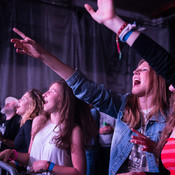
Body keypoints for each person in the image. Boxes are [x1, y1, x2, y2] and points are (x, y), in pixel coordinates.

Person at [9, 2, 170, 175]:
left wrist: (158, 151)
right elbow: (84, 86)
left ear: (160, 78)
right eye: (135, 69)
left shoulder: (170, 114)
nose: (135, 71)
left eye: (144, 69)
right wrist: (43, 56)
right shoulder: (124, 106)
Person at [0, 80, 96, 175]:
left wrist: (48, 166)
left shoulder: (73, 130)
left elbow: (79, 172)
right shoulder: (38, 122)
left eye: (51, 91)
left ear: (64, 99)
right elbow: (30, 158)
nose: (44, 94)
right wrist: (12, 154)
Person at [14, 88, 44, 153]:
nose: (18, 101)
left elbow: (31, 153)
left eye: (23, 99)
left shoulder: (29, 123)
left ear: (33, 104)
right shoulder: (26, 123)